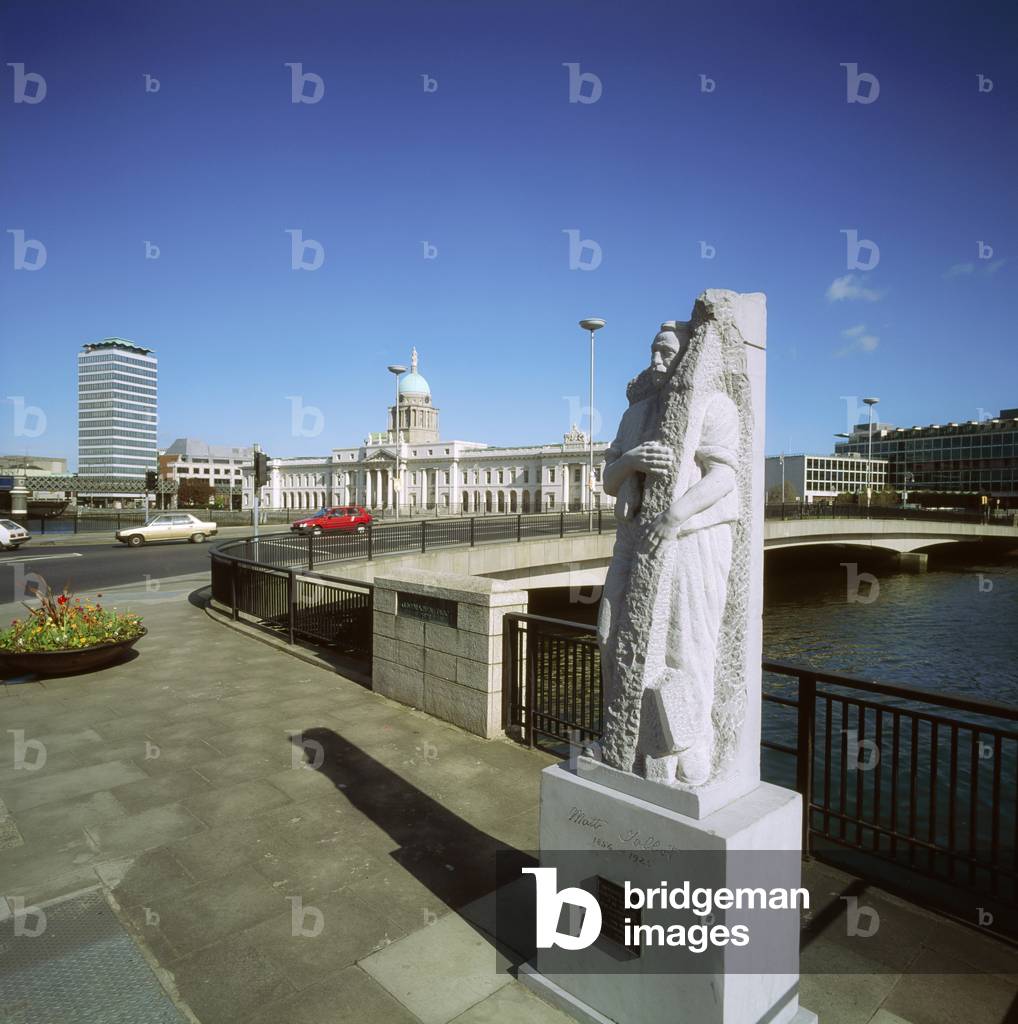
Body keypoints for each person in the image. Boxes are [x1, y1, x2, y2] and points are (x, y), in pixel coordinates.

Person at [599, 321, 740, 786]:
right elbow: (609, 480)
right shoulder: (636, 414)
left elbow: (723, 477)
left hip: (688, 538)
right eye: (653, 352)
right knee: (609, 634)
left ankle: (689, 744)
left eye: (666, 353)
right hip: (632, 541)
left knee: (688, 645)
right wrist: (632, 461)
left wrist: (675, 517)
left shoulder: (715, 405)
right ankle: (622, 733)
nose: (656, 362)